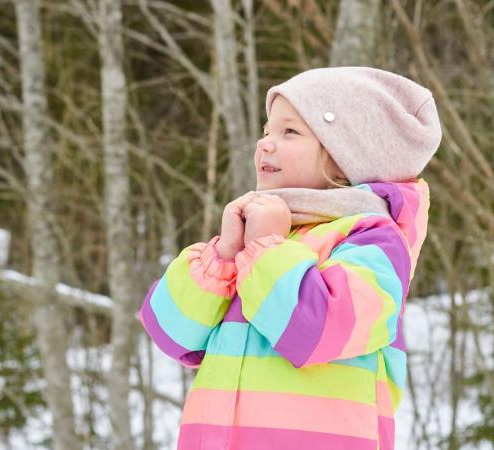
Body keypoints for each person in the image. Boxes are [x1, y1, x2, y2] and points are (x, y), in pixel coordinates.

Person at [139, 66, 442, 450]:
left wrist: (266, 245)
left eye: (289, 132)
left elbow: (315, 331)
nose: (264, 144)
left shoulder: (373, 242)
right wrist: (225, 255)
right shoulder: (262, 241)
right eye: (266, 131)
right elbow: (171, 334)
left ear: (341, 158)